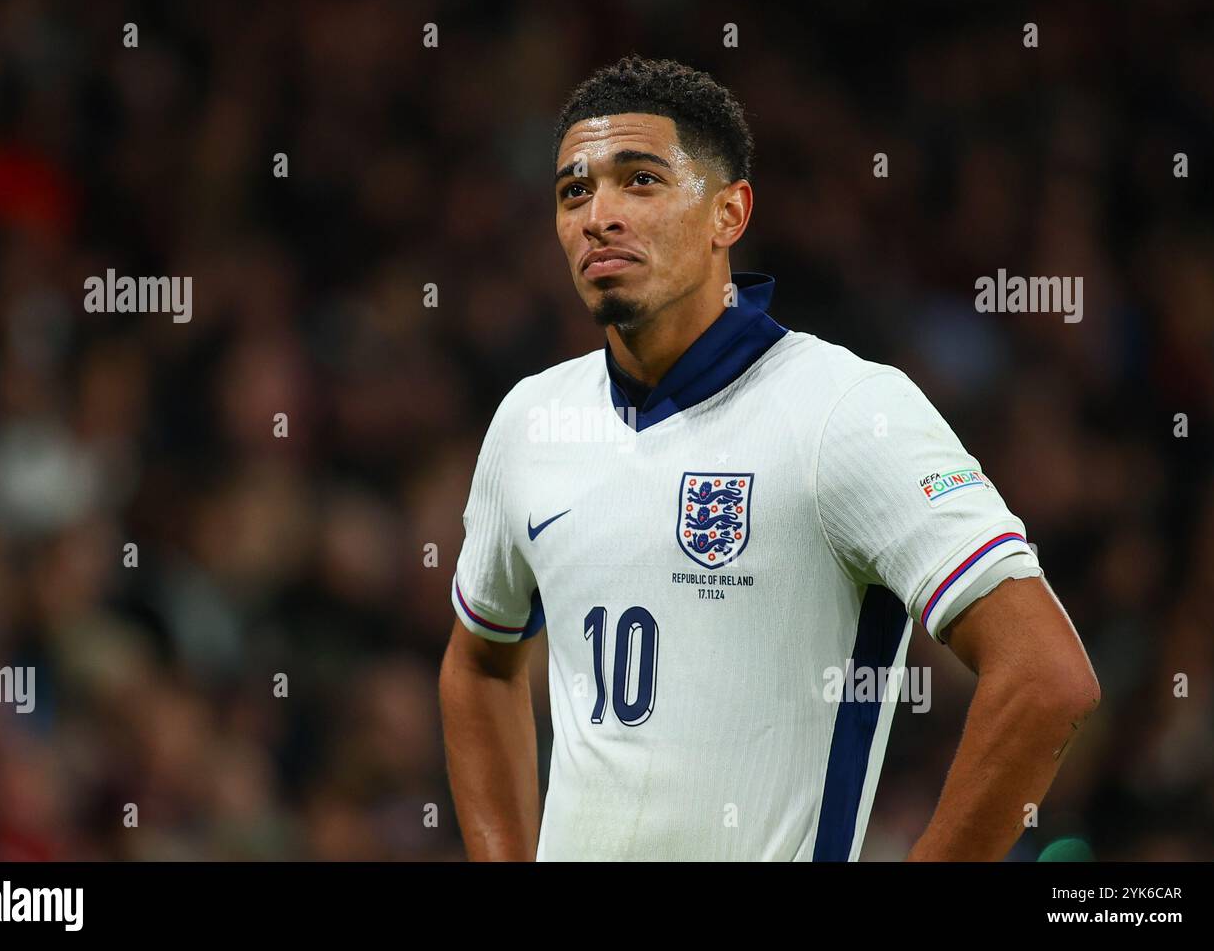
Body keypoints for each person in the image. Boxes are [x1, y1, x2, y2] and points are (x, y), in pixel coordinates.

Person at [439, 55, 1099, 861]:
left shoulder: (846, 411)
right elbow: (480, 666)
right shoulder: (532, 421)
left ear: (729, 212)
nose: (598, 214)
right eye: (574, 190)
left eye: (639, 180)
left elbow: (1047, 677)